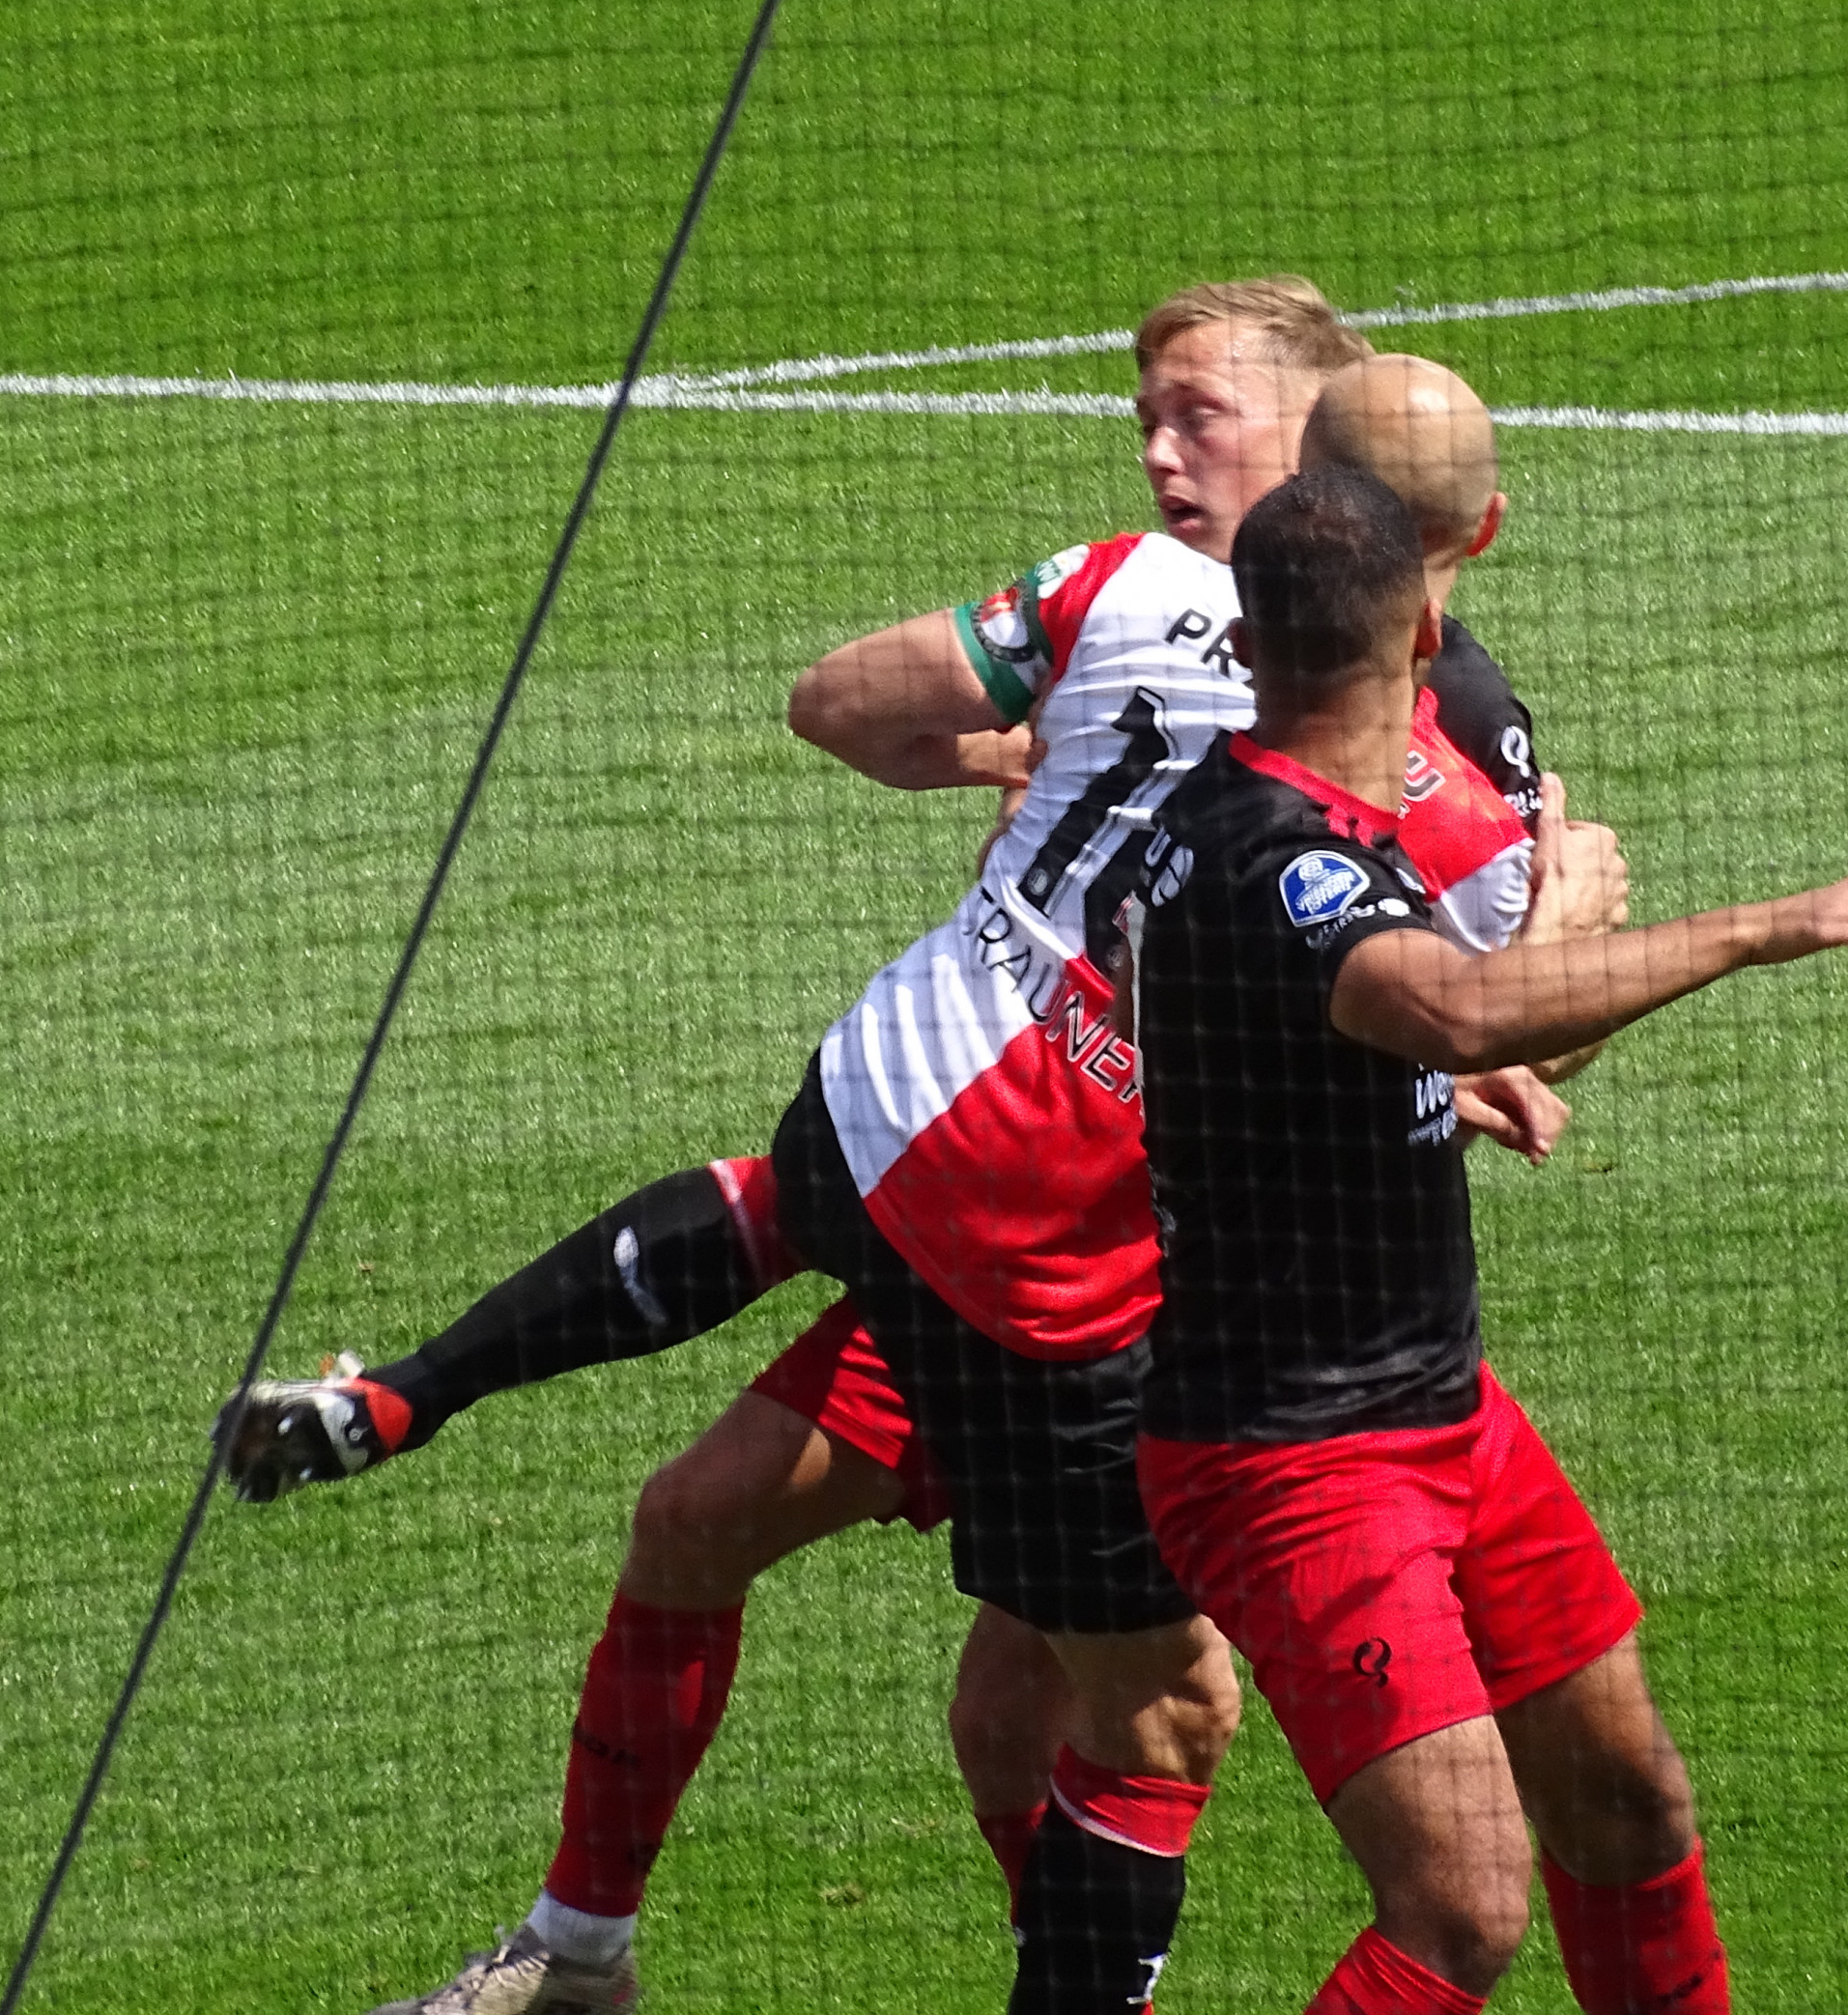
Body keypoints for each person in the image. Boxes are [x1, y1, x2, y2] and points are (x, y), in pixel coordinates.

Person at [231, 303, 1606, 2015]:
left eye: (1201, 420)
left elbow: (1474, 1021)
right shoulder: (1224, 639)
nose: (1162, 454)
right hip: (1008, 1232)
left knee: (1092, 1696)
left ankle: (403, 1410)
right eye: (1146, 420)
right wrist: (1557, 934)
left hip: (1110, 1281)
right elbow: (1485, 1001)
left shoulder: (1414, 715)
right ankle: (574, 1947)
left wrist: (1439, 1013)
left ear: (1335, 466)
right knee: (741, 1539)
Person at [1117, 468, 1848, 2014]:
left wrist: (1494, 1004)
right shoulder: (1281, 855)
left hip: (1444, 1417)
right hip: (1297, 1462)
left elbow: (1406, 1028)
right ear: (1427, 625)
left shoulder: (1268, 825)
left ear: (1248, 631)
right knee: (1461, 1911)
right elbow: (1447, 1006)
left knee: (1629, 1798)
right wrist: (1765, 924)